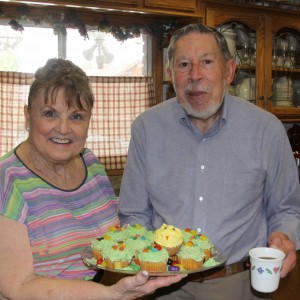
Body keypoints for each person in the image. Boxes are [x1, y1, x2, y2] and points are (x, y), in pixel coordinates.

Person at [118, 24, 300, 300]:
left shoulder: (267, 129)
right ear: (170, 75)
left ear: (229, 71)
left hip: (239, 284)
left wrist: (284, 236)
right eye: (183, 64)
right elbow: (133, 213)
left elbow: (286, 208)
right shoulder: (146, 128)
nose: (194, 75)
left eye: (206, 62)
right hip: (164, 285)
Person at [0, 58, 185, 300]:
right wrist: (109, 294)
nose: (64, 128)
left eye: (76, 116)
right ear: (27, 116)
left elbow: (111, 238)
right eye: (50, 114)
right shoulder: (8, 180)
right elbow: (19, 287)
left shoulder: (90, 164)